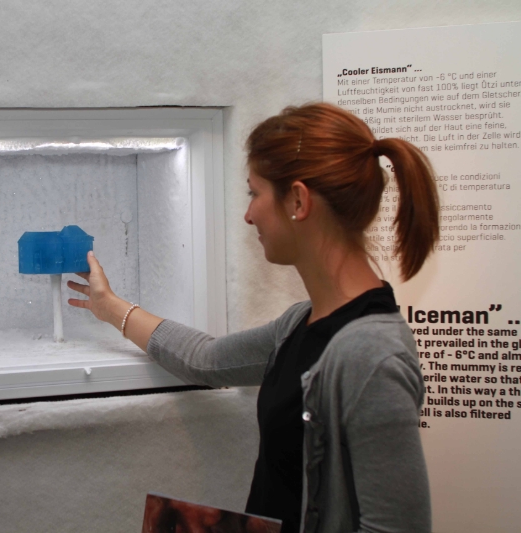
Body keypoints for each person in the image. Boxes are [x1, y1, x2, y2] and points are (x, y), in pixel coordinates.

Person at [66, 102, 437, 533]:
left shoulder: (371, 357)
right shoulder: (301, 322)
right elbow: (207, 360)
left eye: (254, 194)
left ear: (297, 200)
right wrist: (108, 306)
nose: (248, 215)